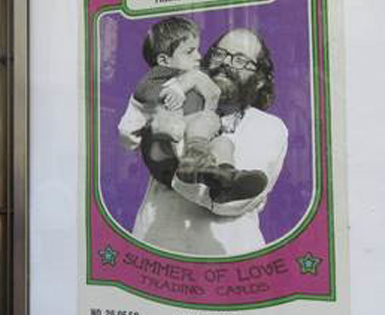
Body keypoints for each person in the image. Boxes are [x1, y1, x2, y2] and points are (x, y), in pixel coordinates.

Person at [117, 27, 288, 255]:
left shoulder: (268, 127)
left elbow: (229, 204)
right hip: (155, 251)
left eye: (239, 60)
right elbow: (136, 136)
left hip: (226, 262)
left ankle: (218, 171)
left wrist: (171, 161)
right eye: (219, 54)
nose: (225, 63)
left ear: (258, 81)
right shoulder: (177, 101)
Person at [122, 16, 267, 200]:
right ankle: (196, 161)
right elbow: (146, 102)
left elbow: (212, 91)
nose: (199, 56)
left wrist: (199, 84)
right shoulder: (157, 76)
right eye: (190, 52)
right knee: (206, 119)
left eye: (240, 60)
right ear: (164, 60)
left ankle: (226, 179)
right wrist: (181, 87)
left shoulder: (268, 127)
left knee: (224, 144)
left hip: (184, 151)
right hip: (164, 151)